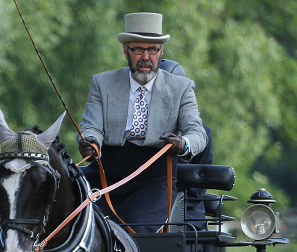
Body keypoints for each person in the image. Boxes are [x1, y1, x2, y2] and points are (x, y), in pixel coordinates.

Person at [78, 12, 208, 232]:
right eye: (138, 49)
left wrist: (182, 143)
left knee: (138, 234)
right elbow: (91, 127)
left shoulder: (181, 87)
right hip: (105, 176)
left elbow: (198, 133)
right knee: (81, 225)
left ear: (161, 51)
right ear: (126, 51)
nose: (146, 57)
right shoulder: (102, 83)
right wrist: (90, 142)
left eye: (153, 49)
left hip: (154, 180)